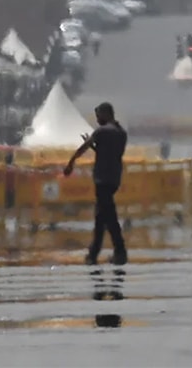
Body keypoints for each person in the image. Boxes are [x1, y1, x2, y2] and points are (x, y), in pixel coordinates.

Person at [65, 102, 129, 265]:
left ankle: (120, 252)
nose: (97, 119)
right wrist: (95, 146)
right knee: (101, 216)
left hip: (102, 179)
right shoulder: (121, 133)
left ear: (106, 114)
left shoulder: (102, 131)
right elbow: (110, 154)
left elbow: (83, 148)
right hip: (114, 178)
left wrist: (71, 162)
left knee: (109, 217)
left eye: (99, 116)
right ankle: (93, 254)